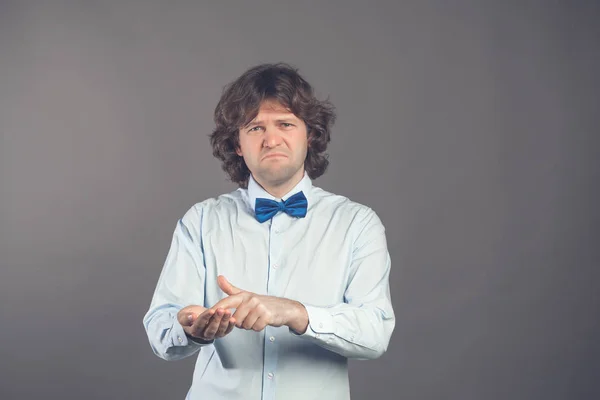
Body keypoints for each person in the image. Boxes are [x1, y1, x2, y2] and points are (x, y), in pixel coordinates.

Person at [143, 63, 395, 400]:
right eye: (255, 128)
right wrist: (188, 327)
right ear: (237, 144)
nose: (271, 139)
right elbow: (161, 328)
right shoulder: (200, 221)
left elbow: (375, 332)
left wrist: (294, 312)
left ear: (310, 134)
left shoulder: (358, 224)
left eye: (286, 124)